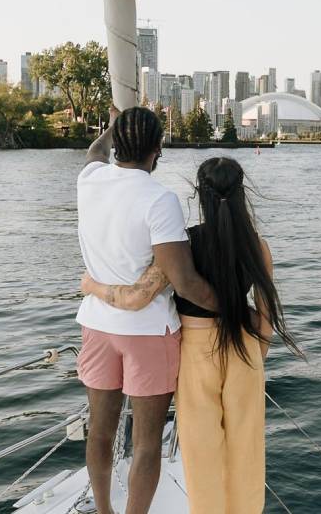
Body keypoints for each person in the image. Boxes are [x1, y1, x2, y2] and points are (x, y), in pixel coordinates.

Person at [81, 156, 302, 514]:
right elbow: (265, 315)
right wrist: (255, 358)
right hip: (244, 350)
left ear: (200, 194)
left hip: (196, 352)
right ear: (241, 192)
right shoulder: (257, 246)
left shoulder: (183, 245)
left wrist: (92, 284)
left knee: (202, 452)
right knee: (245, 448)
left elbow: (138, 296)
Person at [75, 105, 217, 514]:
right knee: (147, 441)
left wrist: (114, 124)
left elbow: (93, 152)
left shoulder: (90, 180)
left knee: (99, 433)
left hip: (98, 326)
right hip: (149, 333)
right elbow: (185, 280)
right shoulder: (160, 199)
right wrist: (230, 309)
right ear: (159, 149)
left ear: (117, 142)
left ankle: (103, 511)